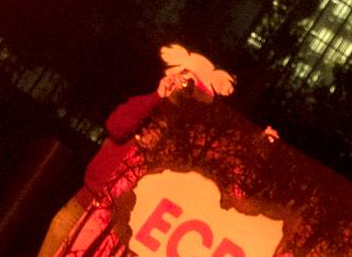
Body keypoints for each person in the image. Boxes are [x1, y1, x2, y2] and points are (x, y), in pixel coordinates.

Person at [37, 46, 235, 257]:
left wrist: (263, 146)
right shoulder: (148, 105)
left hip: (118, 231)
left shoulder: (188, 141)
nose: (185, 88)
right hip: (84, 207)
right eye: (185, 78)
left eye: (196, 90)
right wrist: (158, 96)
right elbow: (116, 126)